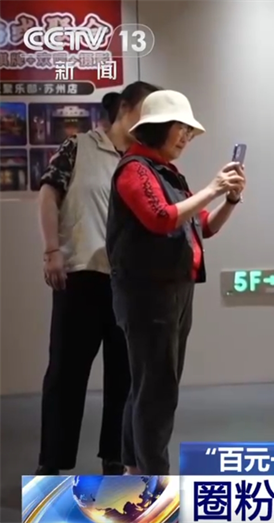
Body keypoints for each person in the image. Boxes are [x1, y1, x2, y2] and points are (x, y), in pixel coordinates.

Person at [106, 90, 246, 474]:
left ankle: (135, 473)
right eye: (180, 128)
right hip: (148, 293)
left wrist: (229, 200)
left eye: (188, 130)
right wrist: (213, 189)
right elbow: (162, 218)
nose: (186, 136)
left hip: (173, 290)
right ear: (157, 128)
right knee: (156, 391)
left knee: (147, 387)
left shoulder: (165, 172)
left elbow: (201, 226)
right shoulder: (135, 169)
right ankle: (153, 481)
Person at [36, 81, 160, 475]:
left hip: (130, 284)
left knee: (124, 377)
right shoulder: (78, 147)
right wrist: (52, 250)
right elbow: (48, 195)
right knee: (65, 374)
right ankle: (51, 463)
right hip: (81, 277)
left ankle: (115, 460)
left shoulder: (147, 161)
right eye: (147, 110)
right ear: (124, 109)